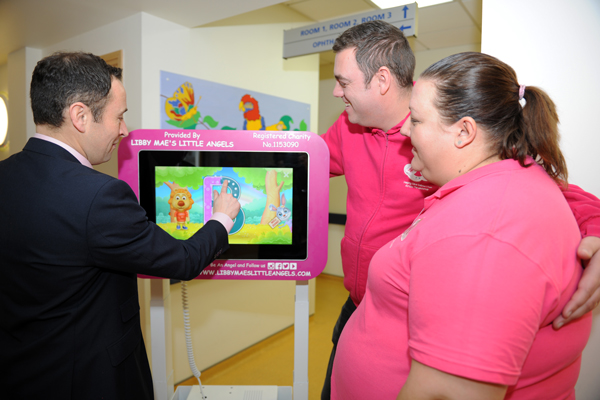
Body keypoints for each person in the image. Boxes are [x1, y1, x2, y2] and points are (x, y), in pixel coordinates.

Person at [320, 20, 600, 399]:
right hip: (364, 302)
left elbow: (551, 192)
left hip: (417, 311)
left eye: (344, 81)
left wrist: (597, 228)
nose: (336, 91)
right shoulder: (350, 129)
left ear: (381, 80)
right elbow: (305, 162)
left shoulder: (461, 166)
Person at [0, 52, 240, 399]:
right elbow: (183, 260)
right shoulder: (99, 196)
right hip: (89, 379)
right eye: (120, 116)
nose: (125, 130)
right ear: (80, 116)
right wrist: (222, 217)